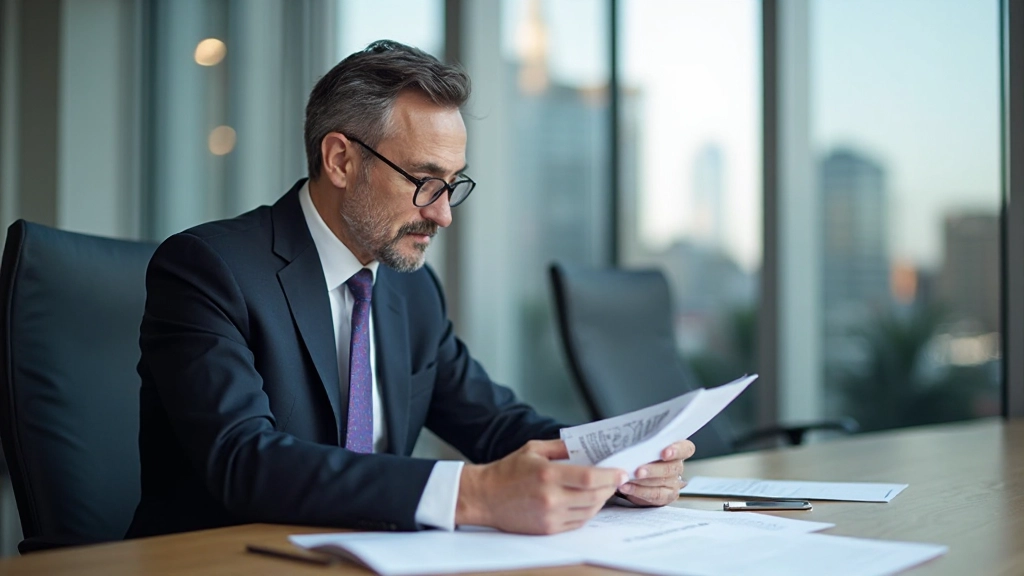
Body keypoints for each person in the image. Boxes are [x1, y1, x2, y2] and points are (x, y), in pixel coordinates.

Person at [126, 40, 694, 539]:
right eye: (425, 182)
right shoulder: (207, 269)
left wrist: (618, 461)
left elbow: (495, 424)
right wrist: (474, 494)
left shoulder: (410, 292)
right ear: (341, 159)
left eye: (453, 185)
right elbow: (243, 460)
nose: (444, 215)